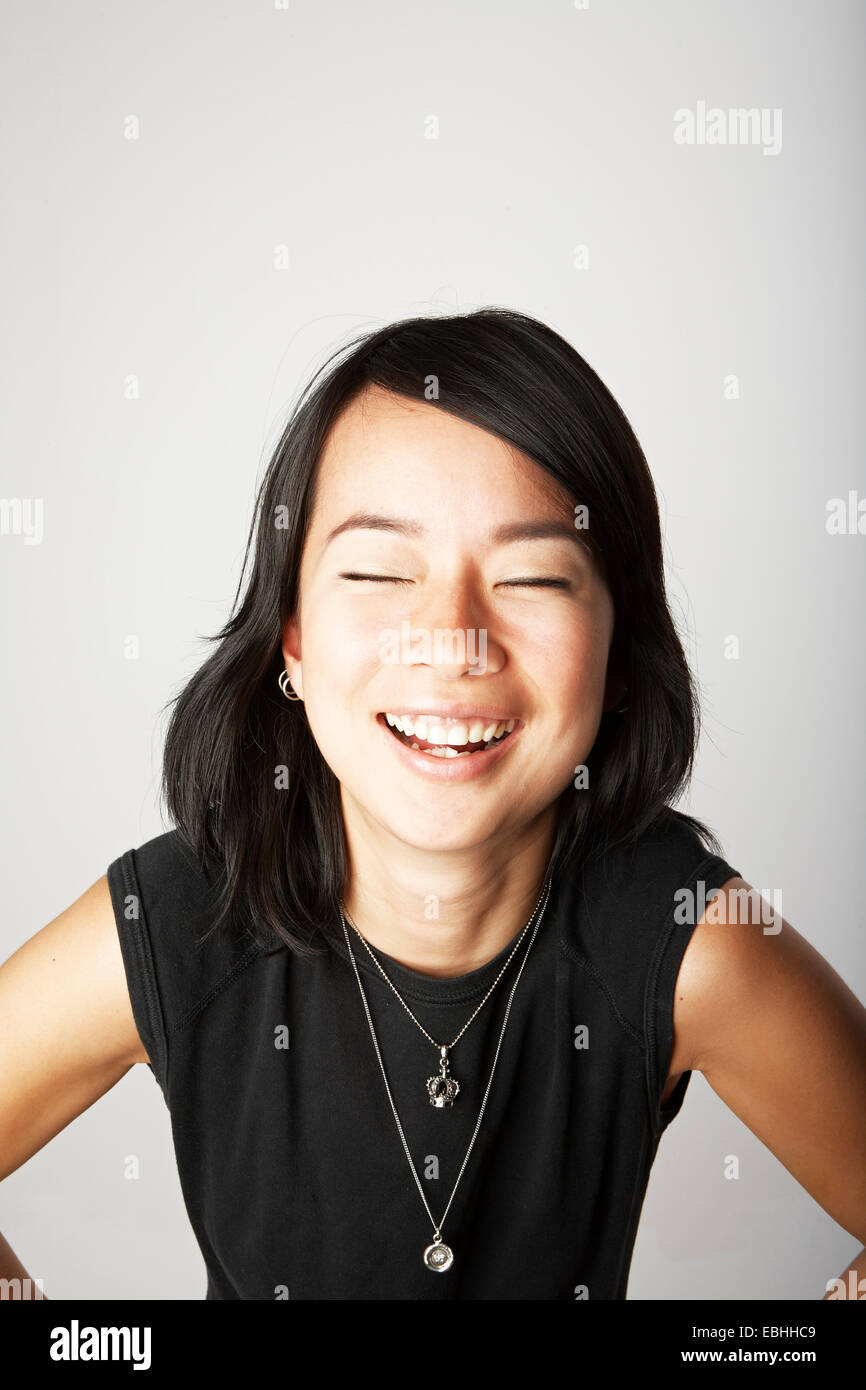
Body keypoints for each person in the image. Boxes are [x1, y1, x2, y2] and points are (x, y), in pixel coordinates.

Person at [2, 309, 864, 1300]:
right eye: (375, 571)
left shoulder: (685, 937)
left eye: (532, 576)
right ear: (291, 637)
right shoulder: (177, 919)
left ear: (620, 655)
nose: (450, 639)